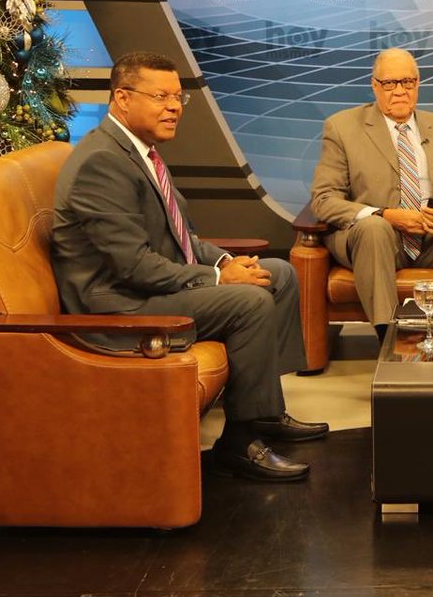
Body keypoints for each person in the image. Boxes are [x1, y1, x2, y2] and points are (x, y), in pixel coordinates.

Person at [51, 51, 327, 482]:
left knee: (279, 273)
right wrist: (219, 277)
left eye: (178, 97)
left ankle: (266, 412)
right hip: (118, 306)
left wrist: (225, 260)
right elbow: (134, 266)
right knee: (250, 300)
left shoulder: (140, 152)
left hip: (146, 285)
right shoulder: (101, 163)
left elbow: (180, 238)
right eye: (161, 97)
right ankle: (239, 442)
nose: (174, 107)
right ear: (122, 98)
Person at [310, 48, 433, 335]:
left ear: (418, 84)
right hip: (380, 240)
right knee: (374, 229)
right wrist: (386, 215)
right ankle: (389, 339)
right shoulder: (342, 128)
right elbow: (324, 199)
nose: (399, 91)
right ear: (375, 86)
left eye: (407, 82)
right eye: (389, 84)